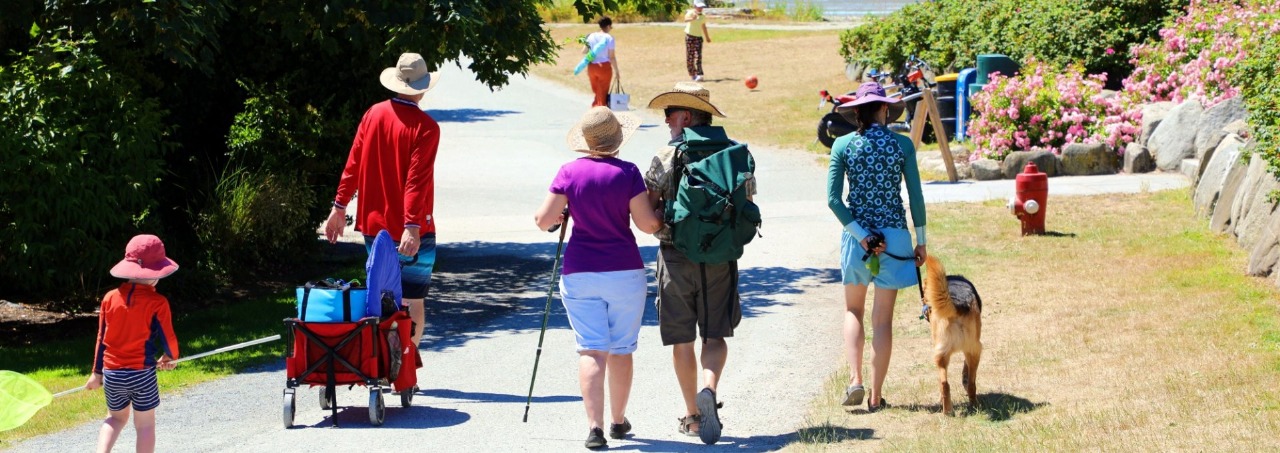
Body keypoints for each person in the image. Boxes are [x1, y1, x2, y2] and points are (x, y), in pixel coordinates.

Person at [534, 107, 662, 449]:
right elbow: (647, 224)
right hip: (624, 271)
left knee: (592, 350)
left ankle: (595, 428)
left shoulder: (569, 172)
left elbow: (543, 220)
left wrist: (564, 213)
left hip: (580, 271)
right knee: (621, 349)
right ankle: (619, 421)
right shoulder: (628, 173)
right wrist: (663, 218)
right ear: (618, 139)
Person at [644, 82, 750, 445]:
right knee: (715, 333)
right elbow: (747, 201)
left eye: (669, 114)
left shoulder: (665, 155)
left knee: (681, 339)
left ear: (686, 115)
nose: (666, 122)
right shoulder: (734, 152)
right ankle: (709, 388)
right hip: (720, 257)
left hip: (676, 257)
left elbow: (650, 209)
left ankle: (691, 415)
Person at [324, 52, 441, 355]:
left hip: (374, 227)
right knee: (413, 297)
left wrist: (339, 207)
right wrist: (412, 226)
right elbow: (416, 181)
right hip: (414, 228)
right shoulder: (426, 128)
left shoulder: (372, 114)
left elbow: (353, 163)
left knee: (384, 295)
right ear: (424, 87)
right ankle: (404, 370)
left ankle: (383, 364)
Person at [825, 81, 927, 413]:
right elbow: (915, 197)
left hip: (858, 241)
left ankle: (855, 379)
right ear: (884, 109)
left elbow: (833, 200)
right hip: (895, 238)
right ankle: (876, 395)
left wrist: (861, 234)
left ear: (856, 112)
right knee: (883, 320)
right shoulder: (902, 145)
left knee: (853, 311)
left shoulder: (842, 145)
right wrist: (921, 241)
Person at [85, 234, 181, 453]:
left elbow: (101, 339)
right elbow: (169, 337)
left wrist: (96, 373)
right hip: (142, 373)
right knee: (145, 424)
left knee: (114, 418)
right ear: (156, 274)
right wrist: (170, 357)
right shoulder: (158, 302)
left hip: (112, 373)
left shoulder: (109, 298)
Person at [584, 16, 619, 108]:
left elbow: (584, 51)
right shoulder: (609, 38)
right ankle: (599, 114)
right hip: (604, 66)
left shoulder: (590, 36)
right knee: (602, 92)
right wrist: (617, 71)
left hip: (592, 66)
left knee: (597, 91)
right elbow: (612, 57)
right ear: (608, 26)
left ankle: (595, 110)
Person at [683, 1, 711, 82]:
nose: (700, 8)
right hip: (690, 36)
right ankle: (693, 74)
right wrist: (692, 18)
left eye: (702, 7)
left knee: (698, 56)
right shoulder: (690, 13)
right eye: (699, 7)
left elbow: (704, 26)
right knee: (690, 56)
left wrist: (707, 37)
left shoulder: (702, 16)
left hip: (698, 37)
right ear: (695, 6)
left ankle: (699, 74)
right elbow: (685, 20)